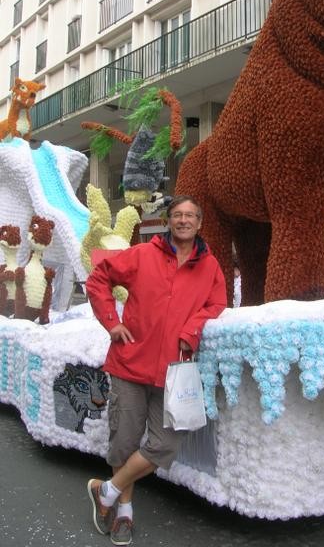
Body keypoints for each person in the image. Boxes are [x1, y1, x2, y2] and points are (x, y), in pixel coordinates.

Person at [85, 195, 226, 546]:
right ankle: (124, 515)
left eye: (190, 215)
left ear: (199, 222)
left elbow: (218, 303)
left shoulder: (210, 266)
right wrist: (111, 323)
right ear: (169, 220)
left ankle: (105, 491)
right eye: (177, 215)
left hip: (174, 373)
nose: (183, 221)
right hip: (129, 364)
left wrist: (191, 330)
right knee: (124, 442)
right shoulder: (143, 254)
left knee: (165, 445)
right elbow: (98, 277)